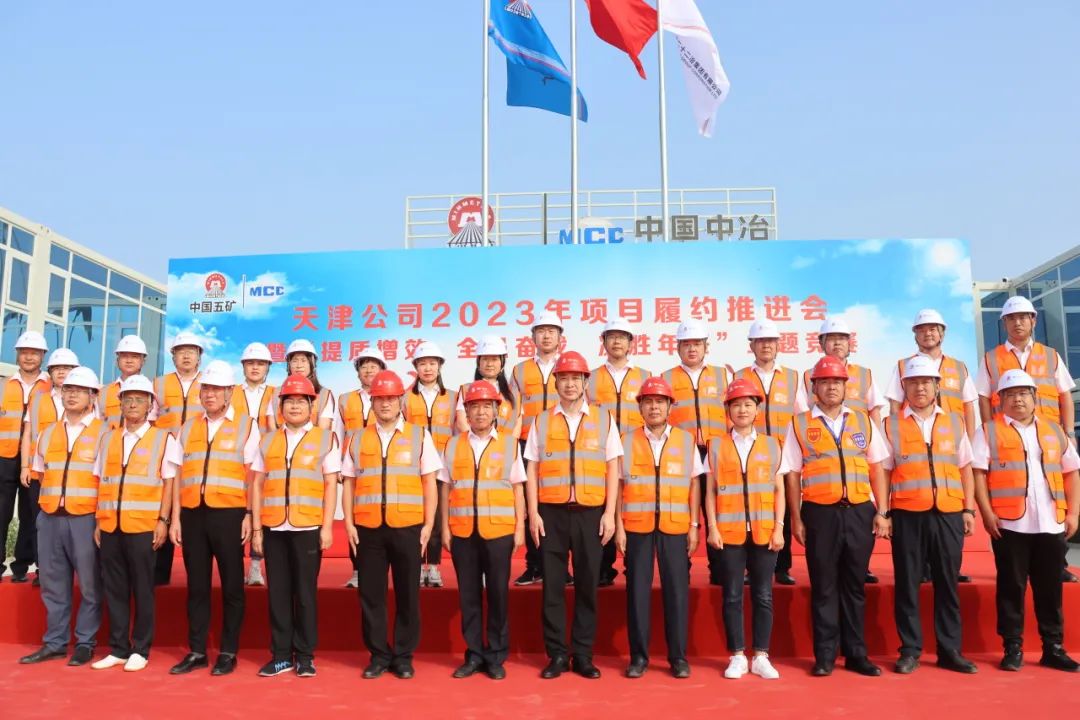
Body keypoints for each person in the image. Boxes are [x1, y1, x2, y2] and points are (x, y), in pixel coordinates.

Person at [785, 356, 891, 677]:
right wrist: (796, 518)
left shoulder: (863, 421)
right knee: (824, 586)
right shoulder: (799, 424)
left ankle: (857, 654)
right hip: (820, 514)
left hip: (859, 512)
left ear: (846, 387)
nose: (831, 387)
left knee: (854, 585)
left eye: (837, 382)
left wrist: (882, 511)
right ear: (814, 388)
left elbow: (877, 468)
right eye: (824, 382)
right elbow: (792, 474)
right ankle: (825, 656)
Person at [972, 369, 1080, 673]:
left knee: (1050, 588)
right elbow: (979, 473)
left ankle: (1053, 647)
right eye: (1010, 394)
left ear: (1034, 398)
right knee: (1011, 587)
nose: (1017, 399)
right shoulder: (988, 431)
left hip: (1050, 521)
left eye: (1023, 393)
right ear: (1000, 400)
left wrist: (1073, 512)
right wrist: (986, 512)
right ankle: (1012, 647)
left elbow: (1071, 472)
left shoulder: (1054, 430)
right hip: (1010, 524)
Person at [525, 350, 621, 680]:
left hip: (590, 513)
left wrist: (609, 513)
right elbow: (532, 468)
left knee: (587, 585)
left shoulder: (604, 419)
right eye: (563, 378)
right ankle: (556, 655)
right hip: (550, 514)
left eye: (575, 378)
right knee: (552, 587)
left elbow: (613, 467)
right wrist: (533, 513)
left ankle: (582, 655)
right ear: (555, 383)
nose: (569, 384)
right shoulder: (541, 420)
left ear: (585, 382)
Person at [341, 370, 440, 680]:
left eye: (391, 398)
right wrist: (348, 523)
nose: (385, 404)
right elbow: (349, 483)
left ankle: (403, 656)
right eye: (379, 399)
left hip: (408, 527)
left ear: (401, 401)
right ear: (371, 402)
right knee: (371, 595)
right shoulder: (357, 438)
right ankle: (378, 655)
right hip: (368, 528)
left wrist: (428, 525)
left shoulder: (419, 435)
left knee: (408, 593)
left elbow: (429, 482)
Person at [883, 357, 978, 675]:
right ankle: (910, 650)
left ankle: (950, 650)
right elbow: (884, 472)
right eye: (913, 382)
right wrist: (885, 512)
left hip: (949, 512)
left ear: (937, 386)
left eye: (926, 382)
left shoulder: (955, 422)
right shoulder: (889, 424)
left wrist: (968, 508)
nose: (919, 388)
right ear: (904, 387)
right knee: (907, 583)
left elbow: (965, 468)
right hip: (907, 513)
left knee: (947, 583)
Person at [975, 295, 1078, 583]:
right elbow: (983, 397)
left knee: (1052, 494)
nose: (1017, 323)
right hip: (1008, 437)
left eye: (1023, 317)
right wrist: (990, 431)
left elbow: (1064, 395)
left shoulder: (1050, 355)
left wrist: (1069, 432)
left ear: (1033, 320)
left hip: (1048, 438)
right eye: (1011, 318)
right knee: (1018, 493)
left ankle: (1057, 564)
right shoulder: (991, 359)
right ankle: (1018, 566)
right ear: (1004, 323)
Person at [168, 360, 260, 677]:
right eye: (206, 388)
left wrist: (249, 514)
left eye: (217, 389)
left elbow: (254, 476)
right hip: (193, 514)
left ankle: (228, 651)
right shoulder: (188, 427)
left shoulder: (247, 426)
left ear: (230, 392)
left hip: (230, 515)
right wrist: (175, 518)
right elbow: (178, 474)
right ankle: (196, 651)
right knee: (197, 586)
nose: (210, 394)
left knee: (232, 585)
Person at [250, 374, 338, 678]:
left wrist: (327, 527)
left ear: (312, 407)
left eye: (302, 401)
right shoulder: (267, 440)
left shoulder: (325, 439)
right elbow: (257, 484)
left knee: (305, 594)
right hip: (274, 527)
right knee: (277, 593)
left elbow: (331, 484)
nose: (296, 406)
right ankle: (280, 655)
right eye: (290, 401)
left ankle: (305, 656)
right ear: (281, 407)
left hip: (308, 527)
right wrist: (257, 529)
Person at [90, 374, 179, 672]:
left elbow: (169, 483)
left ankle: (141, 648)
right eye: (128, 399)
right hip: (110, 525)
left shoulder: (163, 439)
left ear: (150, 404)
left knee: (143, 588)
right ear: (120, 403)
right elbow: (102, 481)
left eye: (140, 399)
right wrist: (99, 521)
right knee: (114, 588)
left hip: (143, 526)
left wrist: (163, 520)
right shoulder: (108, 438)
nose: (133, 404)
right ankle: (118, 648)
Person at [18, 366, 105, 667]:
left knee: (90, 585)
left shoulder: (106, 434)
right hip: (51, 517)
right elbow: (41, 475)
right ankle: (55, 642)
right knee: (53, 585)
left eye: (80, 391)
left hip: (86, 519)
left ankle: (85, 643)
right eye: (68, 390)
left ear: (93, 397)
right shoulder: (47, 433)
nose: (72, 395)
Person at [440, 380, 526, 681]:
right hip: (463, 532)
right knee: (469, 596)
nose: (480, 412)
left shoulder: (510, 444)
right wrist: (445, 527)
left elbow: (517, 488)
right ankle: (474, 654)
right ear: (466, 412)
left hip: (499, 531)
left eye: (486, 407)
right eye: (474, 407)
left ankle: (496, 655)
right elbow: (446, 487)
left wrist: (519, 527)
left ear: (496, 411)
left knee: (499, 594)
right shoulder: (453, 445)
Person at [886, 309, 979, 585]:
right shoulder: (903, 366)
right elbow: (894, 405)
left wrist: (969, 439)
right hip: (913, 441)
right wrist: (897, 434)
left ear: (942, 333)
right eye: (922, 329)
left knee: (947, 511)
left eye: (933, 328)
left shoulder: (959, 368)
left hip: (948, 446)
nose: (928, 333)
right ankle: (923, 568)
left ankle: (948, 567)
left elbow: (968, 406)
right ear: (914, 334)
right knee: (919, 509)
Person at [616, 376, 700, 680]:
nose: (654, 407)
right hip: (637, 526)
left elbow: (694, 483)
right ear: (640, 407)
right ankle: (639, 657)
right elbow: (618, 485)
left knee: (677, 592)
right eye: (648, 402)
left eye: (660, 402)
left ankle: (678, 657)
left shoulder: (686, 440)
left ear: (669, 407)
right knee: (637, 592)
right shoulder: (625, 441)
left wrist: (694, 525)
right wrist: (618, 525)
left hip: (674, 526)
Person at [706, 378, 787, 680]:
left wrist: (779, 527)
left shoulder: (772, 444)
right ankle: (737, 655)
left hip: (765, 532)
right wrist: (712, 527)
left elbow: (779, 490)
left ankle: (761, 656)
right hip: (729, 533)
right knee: (732, 595)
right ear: (728, 410)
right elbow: (710, 491)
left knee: (763, 594)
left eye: (748, 405)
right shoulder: (715, 445)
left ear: (757, 409)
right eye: (736, 405)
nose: (742, 410)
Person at [803, 317, 888, 584]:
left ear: (850, 343)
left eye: (842, 338)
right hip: (823, 452)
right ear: (821, 343)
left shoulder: (864, 374)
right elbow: (804, 415)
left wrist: (874, 443)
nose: (837, 343)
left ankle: (862, 567)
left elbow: (874, 411)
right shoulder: (808, 376)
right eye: (831, 338)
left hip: (857, 451)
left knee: (859, 530)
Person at [732, 319, 807, 586]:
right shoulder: (740, 376)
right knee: (751, 506)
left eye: (771, 341)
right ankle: (751, 568)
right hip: (751, 452)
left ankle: (781, 567)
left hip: (784, 451)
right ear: (751, 345)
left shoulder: (792, 377)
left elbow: (801, 415)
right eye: (760, 341)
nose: (766, 346)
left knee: (782, 508)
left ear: (778, 345)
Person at [661, 319, 729, 585]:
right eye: (686, 344)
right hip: (681, 454)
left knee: (719, 509)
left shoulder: (723, 375)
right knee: (681, 508)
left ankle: (720, 568)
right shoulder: (666, 378)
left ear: (706, 346)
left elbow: (734, 414)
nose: (692, 349)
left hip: (716, 452)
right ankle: (682, 567)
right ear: (677, 347)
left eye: (697, 344)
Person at [589, 317, 647, 588]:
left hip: (637, 450)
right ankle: (603, 567)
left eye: (622, 337)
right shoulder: (590, 378)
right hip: (601, 453)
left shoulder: (645, 376)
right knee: (605, 506)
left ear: (631, 343)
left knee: (634, 504)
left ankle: (634, 564)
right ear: (603, 342)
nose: (616, 342)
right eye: (611, 337)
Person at [20, 348, 80, 588]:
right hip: (41, 473)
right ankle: (42, 570)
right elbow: (28, 434)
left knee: (72, 527)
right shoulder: (38, 400)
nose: (62, 372)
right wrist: (25, 466)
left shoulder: (86, 399)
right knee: (41, 523)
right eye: (57, 369)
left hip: (74, 477)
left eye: (67, 368)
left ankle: (70, 572)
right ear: (50, 373)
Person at [511, 311, 562, 586]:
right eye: (541, 331)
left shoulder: (568, 366)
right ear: (532, 337)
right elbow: (514, 411)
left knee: (557, 504)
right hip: (526, 443)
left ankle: (560, 567)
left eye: (551, 331)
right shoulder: (519, 370)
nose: (546, 336)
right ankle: (534, 565)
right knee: (531, 506)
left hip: (561, 444)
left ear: (560, 337)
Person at [152, 330, 205, 586]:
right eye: (181, 351)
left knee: (193, 513)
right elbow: (150, 419)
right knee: (163, 509)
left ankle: (197, 574)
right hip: (164, 456)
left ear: (199, 356)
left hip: (198, 458)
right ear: (173, 356)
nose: (186, 356)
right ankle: (159, 574)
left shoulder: (209, 383)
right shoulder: (159, 384)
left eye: (191, 352)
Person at [403, 341, 456, 588]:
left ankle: (433, 566)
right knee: (416, 517)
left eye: (432, 363)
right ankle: (415, 566)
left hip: (442, 466)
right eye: (422, 363)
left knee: (435, 518)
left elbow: (459, 431)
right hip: (414, 467)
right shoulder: (405, 397)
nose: (427, 368)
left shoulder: (453, 397)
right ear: (416, 367)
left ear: (440, 366)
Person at [1, 331, 51, 585]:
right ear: (17, 355)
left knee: (31, 514)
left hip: (35, 460)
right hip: (4, 458)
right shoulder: (4, 385)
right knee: (1, 513)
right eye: (24, 352)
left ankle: (25, 564)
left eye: (34, 353)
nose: (29, 357)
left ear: (43, 355)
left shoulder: (52, 386)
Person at [338, 346, 387, 588]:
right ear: (357, 372)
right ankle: (357, 569)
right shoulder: (345, 399)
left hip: (382, 467)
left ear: (382, 370)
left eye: (373, 365)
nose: (368, 370)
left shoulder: (392, 397)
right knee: (355, 518)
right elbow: (338, 432)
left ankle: (380, 569)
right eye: (364, 365)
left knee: (380, 517)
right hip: (354, 467)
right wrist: (339, 464)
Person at [232, 341, 279, 587]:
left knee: (261, 512)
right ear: (243, 366)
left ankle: (255, 566)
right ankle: (236, 566)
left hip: (266, 461)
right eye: (250, 363)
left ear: (268, 367)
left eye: (260, 363)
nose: (255, 367)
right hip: (235, 461)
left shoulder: (277, 393)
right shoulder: (231, 392)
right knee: (238, 513)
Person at [455, 334, 521, 440]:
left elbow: (517, 424)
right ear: (479, 363)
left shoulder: (514, 392)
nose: (489, 364)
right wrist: (479, 444)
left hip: (506, 447)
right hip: (475, 446)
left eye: (494, 359)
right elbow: (461, 422)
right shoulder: (467, 390)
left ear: (502, 363)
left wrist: (509, 446)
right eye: (485, 359)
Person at [100, 336, 154, 430]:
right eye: (124, 356)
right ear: (117, 361)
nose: (129, 361)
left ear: (143, 361)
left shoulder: (151, 389)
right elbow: (97, 423)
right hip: (109, 438)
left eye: (134, 357)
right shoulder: (103, 392)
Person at [279, 339, 334, 431]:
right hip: (281, 439)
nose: (299, 365)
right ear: (289, 365)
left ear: (312, 364)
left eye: (304, 360)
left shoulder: (324, 394)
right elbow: (271, 428)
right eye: (294, 361)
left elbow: (323, 429)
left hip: (313, 440)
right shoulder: (276, 392)